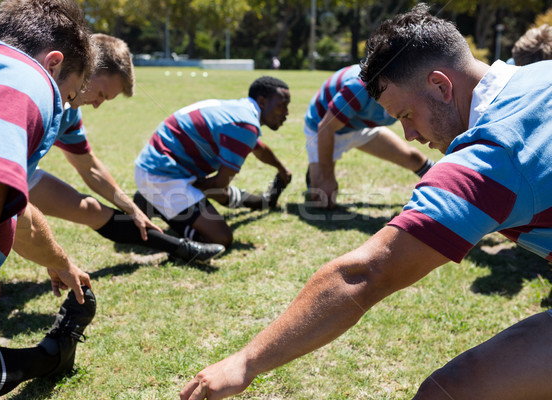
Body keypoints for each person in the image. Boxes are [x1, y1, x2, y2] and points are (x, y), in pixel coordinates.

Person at [180, 4, 552, 399]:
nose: (408, 134)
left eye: (407, 114)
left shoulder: (490, 154)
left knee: (445, 393)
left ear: (442, 86)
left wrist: (245, 361)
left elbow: (365, 274)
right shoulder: (540, 73)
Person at [0, 34, 225, 305]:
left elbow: (90, 168)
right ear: (87, 69)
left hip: (17, 175)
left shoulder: (69, 110)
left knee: (92, 210)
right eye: (100, 94)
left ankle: (181, 248)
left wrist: (131, 208)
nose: (98, 104)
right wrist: (52, 257)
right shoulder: (32, 96)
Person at [0, 0, 98, 398]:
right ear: (52, 63)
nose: (63, 107)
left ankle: (51, 357)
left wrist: (61, 261)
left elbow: (2, 201)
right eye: (67, 96)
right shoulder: (23, 77)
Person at [133, 76, 292, 248]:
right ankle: (156, 205)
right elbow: (219, 184)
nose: (286, 112)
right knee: (220, 238)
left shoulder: (241, 110)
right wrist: (198, 189)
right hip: (162, 175)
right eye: (282, 105)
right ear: (262, 101)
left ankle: (157, 199)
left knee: (213, 190)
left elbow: (258, 148)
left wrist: (281, 169)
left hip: (155, 165)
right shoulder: (246, 125)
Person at [304, 64, 434, 209]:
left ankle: (445, 187)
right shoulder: (358, 88)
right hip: (326, 128)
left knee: (413, 158)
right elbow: (326, 128)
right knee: (321, 200)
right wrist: (327, 177)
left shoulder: (408, 88)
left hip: (360, 127)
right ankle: (317, 169)